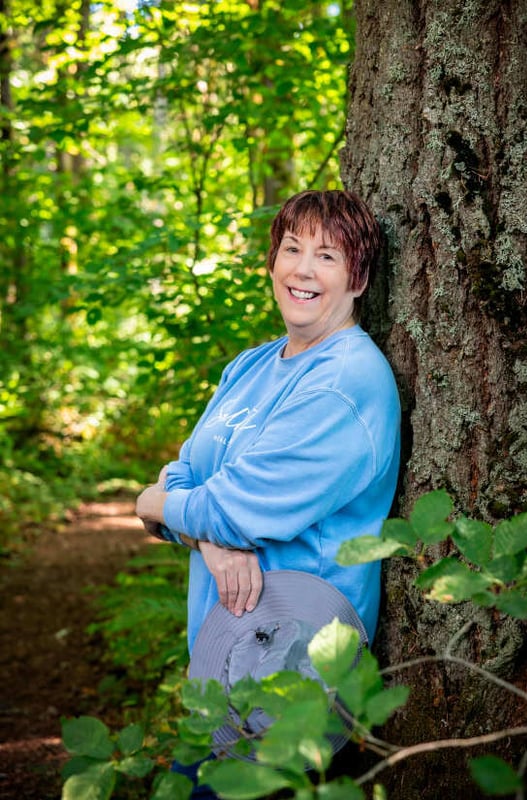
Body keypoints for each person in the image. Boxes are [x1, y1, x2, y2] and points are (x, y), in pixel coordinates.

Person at [136, 189, 401, 796]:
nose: (303, 270)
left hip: (290, 685)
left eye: (327, 256)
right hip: (219, 667)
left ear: (358, 278)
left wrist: (153, 507)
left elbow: (216, 507)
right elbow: (184, 473)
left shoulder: (344, 383)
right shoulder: (251, 366)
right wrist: (210, 541)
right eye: (292, 249)